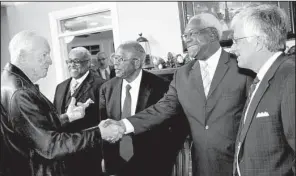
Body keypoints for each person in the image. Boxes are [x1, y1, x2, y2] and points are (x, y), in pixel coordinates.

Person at [102, 13, 254, 176]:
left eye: (192, 33)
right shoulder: (183, 74)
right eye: (185, 35)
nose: (186, 39)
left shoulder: (242, 67)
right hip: (201, 166)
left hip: (241, 165)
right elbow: (161, 109)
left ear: (212, 34)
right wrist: (123, 125)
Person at [0, 30, 123, 176]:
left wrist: (67, 117)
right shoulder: (21, 92)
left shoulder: (9, 81)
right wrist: (99, 132)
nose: (50, 61)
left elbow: (31, 129)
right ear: (22, 55)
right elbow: (51, 146)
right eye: (44, 54)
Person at [100, 41, 186, 176]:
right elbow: (103, 125)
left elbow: (178, 127)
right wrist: (105, 158)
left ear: (137, 63)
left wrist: (166, 158)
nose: (114, 63)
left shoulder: (161, 86)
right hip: (117, 164)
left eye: (120, 59)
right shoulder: (107, 88)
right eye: (114, 58)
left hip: (152, 163)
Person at [230, 4, 295, 176]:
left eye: (237, 40)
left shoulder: (290, 78)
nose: (232, 49)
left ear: (257, 42)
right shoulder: (262, 77)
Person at [53, 47, 105, 175]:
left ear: (88, 63)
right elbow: (55, 117)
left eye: (76, 61)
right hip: (64, 153)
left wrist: (106, 156)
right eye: (69, 61)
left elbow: (105, 120)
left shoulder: (102, 85)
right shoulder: (60, 87)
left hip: (89, 153)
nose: (71, 65)